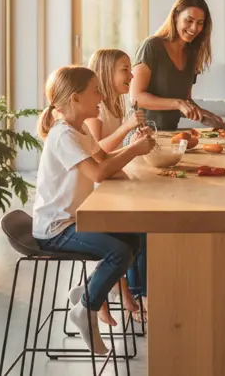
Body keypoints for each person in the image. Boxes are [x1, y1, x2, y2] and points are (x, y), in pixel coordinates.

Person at [32, 65, 155, 355]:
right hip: (56, 230)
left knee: (135, 237)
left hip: (73, 221)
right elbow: (97, 173)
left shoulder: (80, 130)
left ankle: (88, 293)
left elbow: (104, 158)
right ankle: (86, 309)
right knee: (119, 252)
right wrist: (133, 152)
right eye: (96, 91)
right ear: (75, 98)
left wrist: (133, 146)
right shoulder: (63, 136)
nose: (101, 96)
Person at [85, 48, 149, 322]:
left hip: (111, 182)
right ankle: (136, 293)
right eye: (125, 69)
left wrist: (134, 137)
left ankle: (128, 290)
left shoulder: (115, 105)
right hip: (95, 192)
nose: (132, 74)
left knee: (145, 221)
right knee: (142, 224)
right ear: (106, 72)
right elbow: (95, 151)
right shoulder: (93, 112)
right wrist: (126, 129)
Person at [129, 0, 223, 132]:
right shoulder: (151, 46)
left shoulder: (191, 55)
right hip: (141, 136)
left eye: (200, 23)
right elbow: (136, 98)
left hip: (169, 133)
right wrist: (178, 103)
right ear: (175, 17)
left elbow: (186, 100)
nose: (194, 28)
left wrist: (203, 114)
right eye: (189, 20)